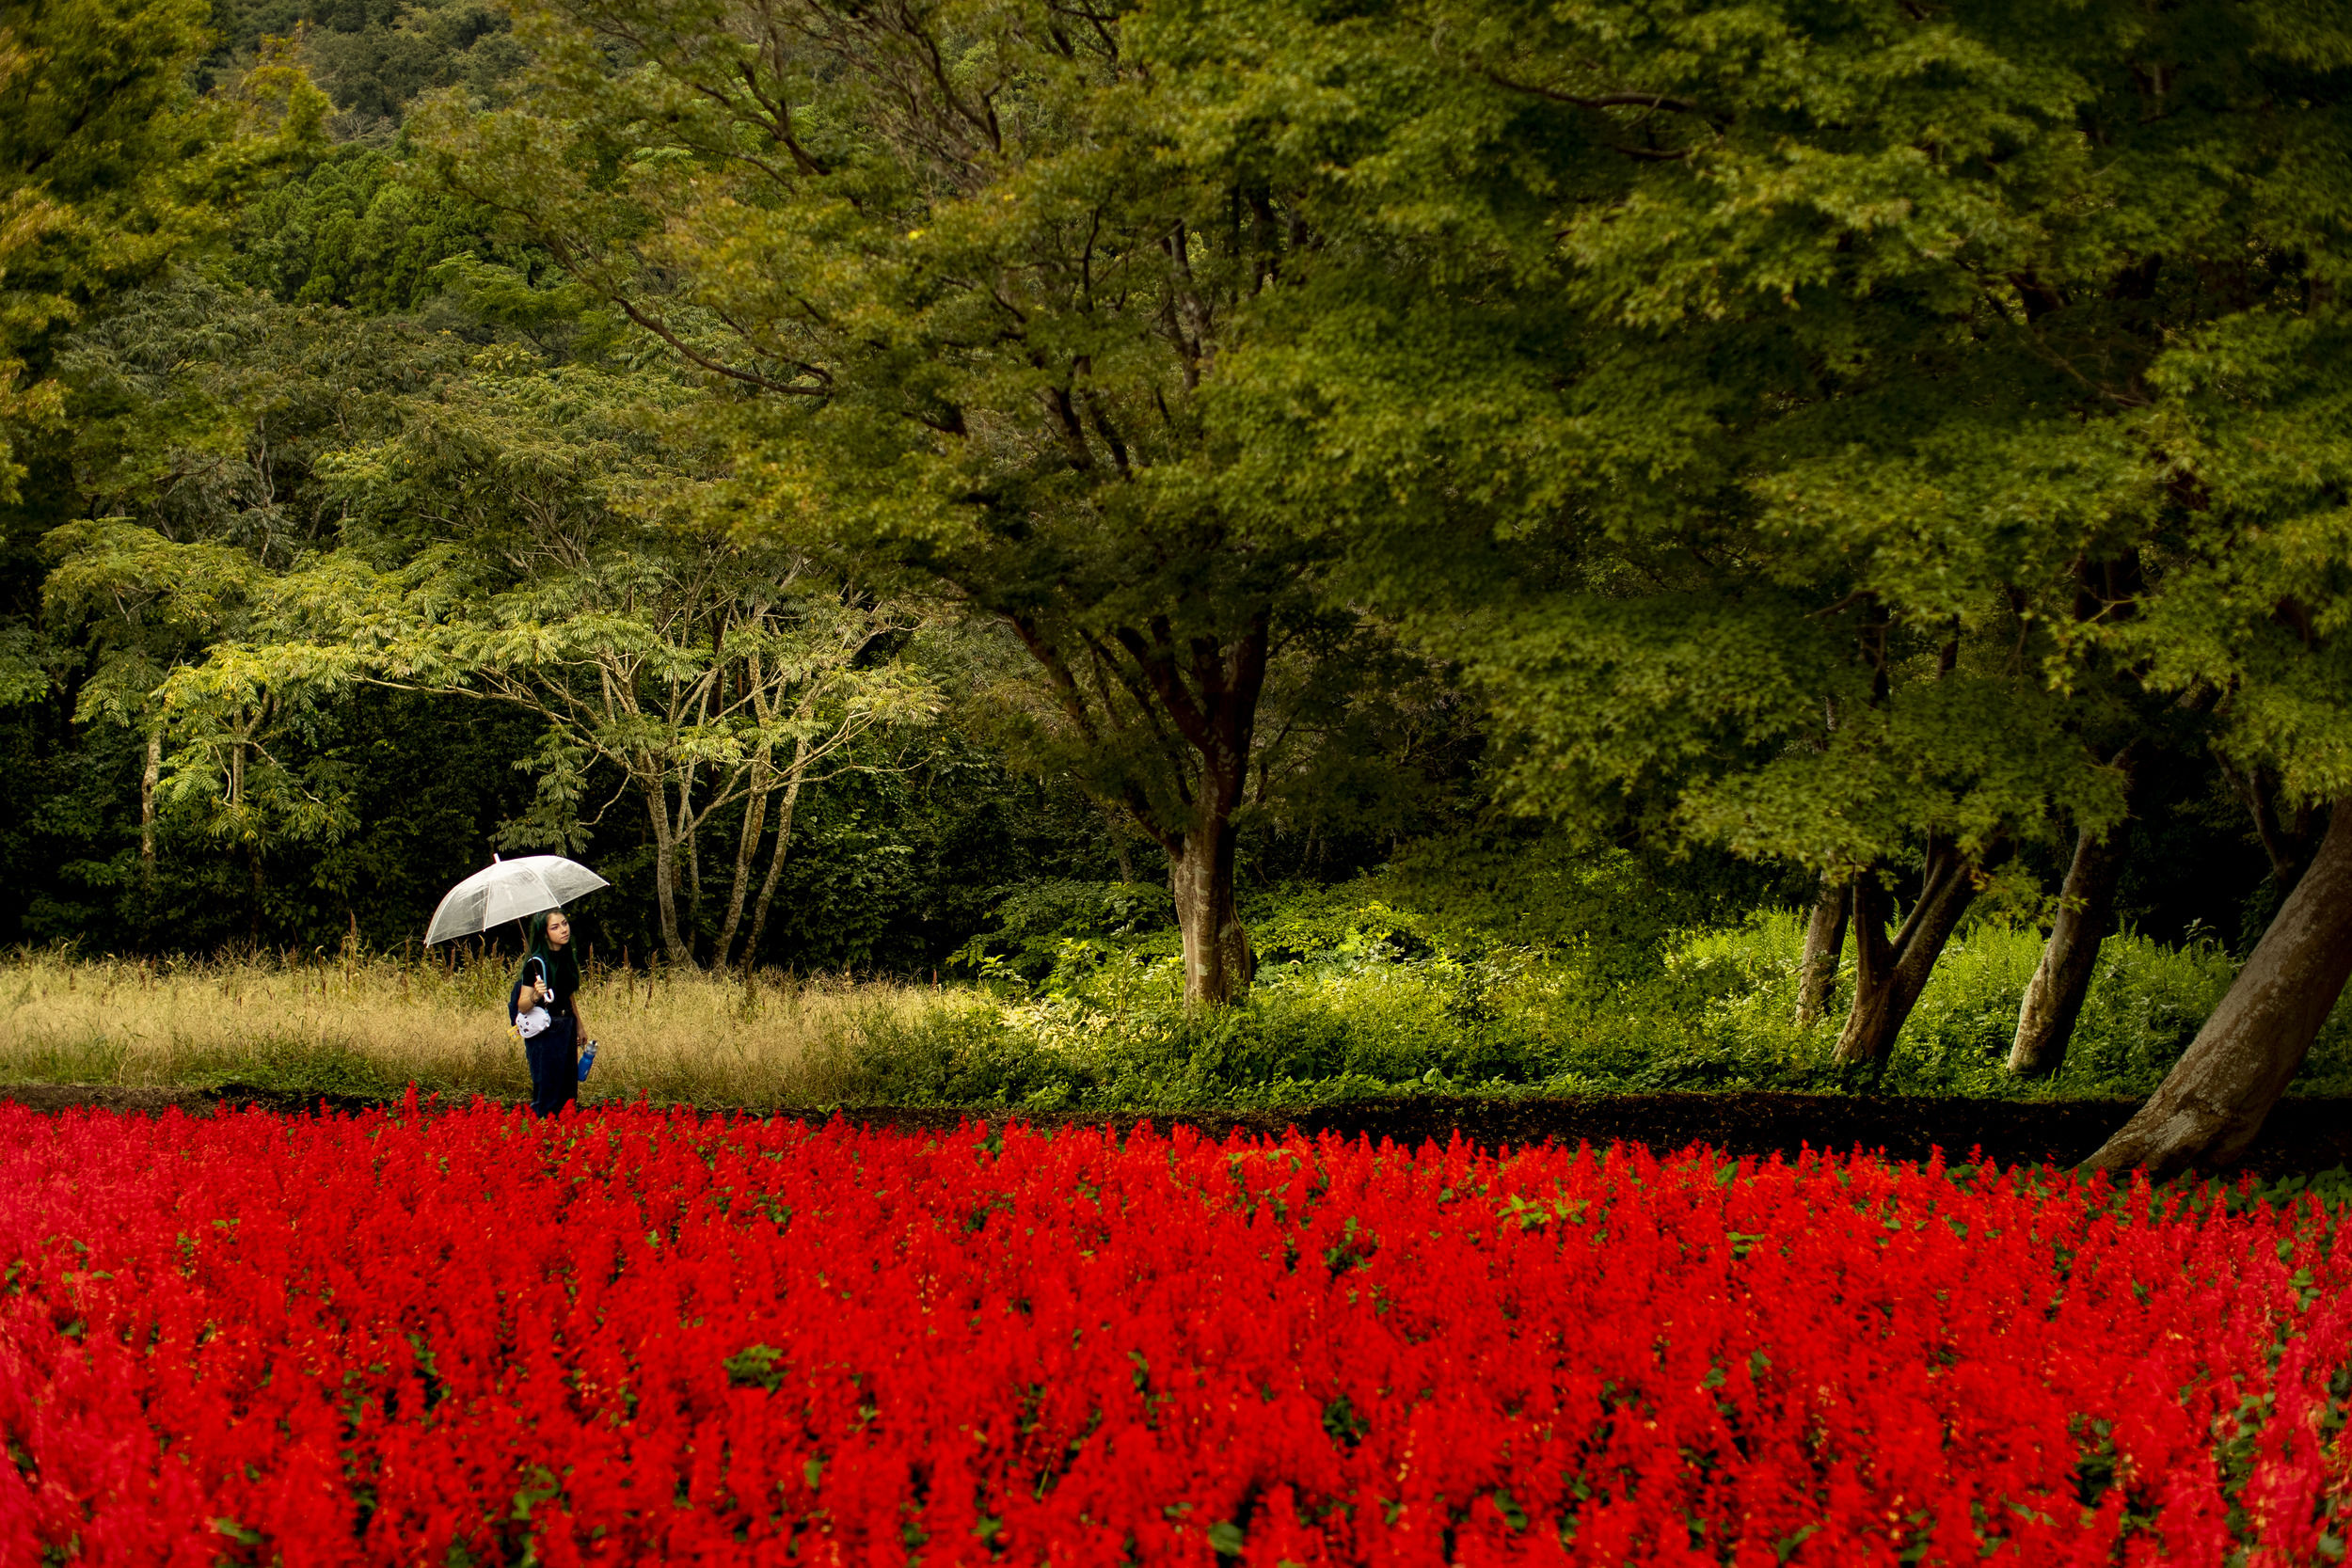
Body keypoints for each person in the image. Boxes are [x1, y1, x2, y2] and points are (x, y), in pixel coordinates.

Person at [511, 909, 587, 1117]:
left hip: (566, 1025)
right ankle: (543, 1135)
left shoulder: (565, 957)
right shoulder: (535, 964)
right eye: (555, 927)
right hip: (547, 1032)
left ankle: (563, 1134)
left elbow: (569, 995)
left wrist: (579, 1025)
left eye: (564, 923)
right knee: (548, 1088)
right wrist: (536, 995)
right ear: (544, 934)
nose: (564, 930)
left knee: (567, 1087)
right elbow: (522, 1005)